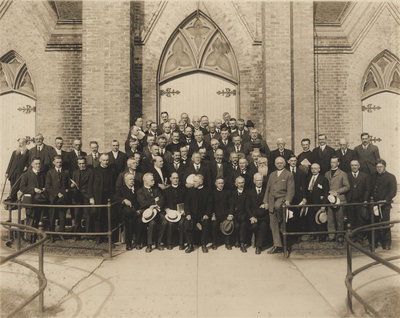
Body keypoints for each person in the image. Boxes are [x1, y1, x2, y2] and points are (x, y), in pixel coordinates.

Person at [263, 157, 295, 254]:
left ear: (285, 164)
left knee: (282, 224)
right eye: (277, 163)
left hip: (282, 200)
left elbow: (291, 189)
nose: (279, 164)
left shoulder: (289, 174)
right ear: (275, 164)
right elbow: (268, 189)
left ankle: (285, 246)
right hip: (272, 201)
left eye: (281, 163)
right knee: (273, 225)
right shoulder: (272, 174)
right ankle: (277, 245)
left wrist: (288, 200)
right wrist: (266, 202)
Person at [88, 154, 116, 243]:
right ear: (100, 160)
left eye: (107, 160)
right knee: (98, 217)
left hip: (109, 198)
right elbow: (90, 185)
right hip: (98, 197)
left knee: (107, 216)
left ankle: (107, 237)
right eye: (104, 160)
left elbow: (114, 185)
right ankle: (98, 237)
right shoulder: (94, 171)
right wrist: (91, 197)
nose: (105, 162)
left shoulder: (112, 171)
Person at [370, 159, 397, 250]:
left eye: (381, 167)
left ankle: (387, 243)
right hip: (375, 205)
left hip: (385, 205)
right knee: (375, 224)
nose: (379, 169)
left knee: (385, 224)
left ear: (385, 167)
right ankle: (376, 242)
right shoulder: (373, 176)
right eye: (377, 167)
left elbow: (393, 191)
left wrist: (385, 200)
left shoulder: (391, 177)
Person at [136, 173, 166, 252]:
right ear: (145, 181)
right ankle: (149, 245)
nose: (154, 181)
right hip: (147, 213)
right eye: (152, 180)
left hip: (158, 211)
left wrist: (157, 206)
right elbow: (143, 203)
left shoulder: (156, 190)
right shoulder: (140, 191)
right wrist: (153, 201)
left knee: (165, 221)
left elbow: (162, 199)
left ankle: (158, 243)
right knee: (152, 223)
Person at [184, 174, 212, 253]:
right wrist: (188, 214)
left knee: (206, 223)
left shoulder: (207, 191)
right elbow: (186, 204)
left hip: (203, 215)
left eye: (195, 181)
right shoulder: (190, 191)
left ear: (201, 182)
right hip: (192, 215)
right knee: (188, 223)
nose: (193, 183)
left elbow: (210, 205)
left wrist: (207, 214)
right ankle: (190, 245)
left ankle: (204, 244)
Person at [325, 156, 350, 242]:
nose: (332, 164)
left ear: (338, 163)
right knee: (330, 218)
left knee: (340, 219)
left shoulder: (343, 174)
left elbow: (347, 187)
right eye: (331, 162)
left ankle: (340, 236)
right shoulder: (327, 174)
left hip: (339, 199)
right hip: (329, 199)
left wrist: (337, 192)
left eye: (334, 162)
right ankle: (331, 236)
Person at [46, 155, 70, 240]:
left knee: (62, 216)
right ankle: (52, 235)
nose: (59, 164)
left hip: (63, 199)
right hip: (53, 199)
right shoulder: (50, 173)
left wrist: (65, 192)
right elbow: (48, 187)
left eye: (60, 162)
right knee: (52, 217)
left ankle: (61, 234)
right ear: (53, 163)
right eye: (57, 162)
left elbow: (67, 186)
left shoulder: (66, 172)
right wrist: (57, 194)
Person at [114, 173, 140, 250]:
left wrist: (139, 210)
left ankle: (137, 242)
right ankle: (128, 244)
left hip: (137, 211)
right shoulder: (121, 189)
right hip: (125, 213)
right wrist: (123, 200)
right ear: (125, 181)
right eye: (130, 179)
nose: (132, 181)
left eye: (133, 179)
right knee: (130, 221)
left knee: (139, 221)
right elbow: (115, 197)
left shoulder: (137, 188)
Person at [20, 157, 47, 229]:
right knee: (30, 221)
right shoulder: (26, 175)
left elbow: (45, 185)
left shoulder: (42, 175)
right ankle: (29, 239)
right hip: (30, 201)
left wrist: (44, 189)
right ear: (32, 164)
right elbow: (22, 188)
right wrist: (33, 190)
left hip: (40, 201)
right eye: (36, 164)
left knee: (39, 221)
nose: (38, 165)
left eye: (39, 163)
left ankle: (37, 239)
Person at [346, 160, 370, 242]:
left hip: (360, 201)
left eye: (355, 165)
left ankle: (360, 237)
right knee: (351, 219)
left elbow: (367, 189)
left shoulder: (364, 176)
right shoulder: (347, 175)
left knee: (360, 220)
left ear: (359, 166)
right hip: (350, 201)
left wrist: (365, 200)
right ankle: (353, 237)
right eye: (352, 165)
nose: (354, 167)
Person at [246, 173, 270, 254]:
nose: (259, 182)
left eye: (260, 180)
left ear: (263, 181)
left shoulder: (266, 191)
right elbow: (247, 207)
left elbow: (270, 202)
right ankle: (258, 243)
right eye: (257, 180)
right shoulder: (250, 192)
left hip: (264, 216)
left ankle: (258, 247)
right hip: (254, 217)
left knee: (263, 226)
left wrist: (267, 204)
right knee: (255, 226)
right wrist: (251, 217)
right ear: (254, 181)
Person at [305, 163, 329, 241]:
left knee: (320, 219)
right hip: (310, 202)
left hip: (319, 202)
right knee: (311, 219)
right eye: (312, 168)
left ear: (319, 169)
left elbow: (326, 193)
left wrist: (323, 205)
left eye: (315, 168)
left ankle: (322, 236)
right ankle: (313, 235)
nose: (313, 170)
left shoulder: (323, 179)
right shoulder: (308, 178)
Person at [70, 156, 93, 234]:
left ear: (85, 163)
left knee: (87, 215)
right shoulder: (75, 172)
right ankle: (77, 234)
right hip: (77, 197)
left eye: (83, 163)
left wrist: (90, 197)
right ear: (77, 164)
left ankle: (88, 234)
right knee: (77, 215)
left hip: (86, 196)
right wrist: (72, 186)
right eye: (80, 164)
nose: (82, 165)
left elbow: (91, 185)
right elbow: (73, 183)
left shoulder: (90, 172)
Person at [163, 172, 186, 249]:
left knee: (182, 222)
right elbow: (164, 203)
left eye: (177, 178)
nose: (175, 180)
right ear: (170, 179)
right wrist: (166, 209)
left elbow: (186, 202)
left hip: (181, 212)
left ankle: (181, 243)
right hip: (171, 213)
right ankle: (169, 243)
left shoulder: (183, 189)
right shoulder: (166, 190)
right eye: (174, 178)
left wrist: (184, 211)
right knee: (170, 223)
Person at [211, 178, 233, 250]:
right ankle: (214, 243)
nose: (221, 185)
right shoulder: (213, 193)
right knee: (214, 224)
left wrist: (230, 214)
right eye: (219, 183)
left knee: (228, 224)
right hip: (216, 215)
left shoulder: (228, 192)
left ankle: (228, 243)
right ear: (216, 184)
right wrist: (213, 215)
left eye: (222, 183)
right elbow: (211, 205)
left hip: (225, 215)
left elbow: (231, 204)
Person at [287, 155, 307, 233]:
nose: (293, 162)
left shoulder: (301, 172)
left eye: (295, 161)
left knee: (297, 215)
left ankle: (296, 234)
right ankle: (288, 234)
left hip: (298, 197)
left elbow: (304, 186)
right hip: (288, 197)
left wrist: (304, 197)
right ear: (288, 161)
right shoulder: (285, 171)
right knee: (288, 215)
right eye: (291, 160)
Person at [5, 138, 29, 203]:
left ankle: (10, 198)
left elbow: (29, 162)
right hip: (12, 172)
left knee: (16, 186)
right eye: (19, 143)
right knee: (12, 186)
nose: (20, 144)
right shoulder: (15, 152)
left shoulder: (28, 152)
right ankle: (14, 201)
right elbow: (10, 162)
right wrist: (7, 172)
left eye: (22, 143)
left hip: (20, 173)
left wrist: (26, 166)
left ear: (25, 144)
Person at [230, 176, 249, 252]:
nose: (241, 184)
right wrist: (231, 214)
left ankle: (242, 243)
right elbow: (231, 205)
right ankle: (236, 240)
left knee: (243, 224)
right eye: (239, 183)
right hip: (235, 215)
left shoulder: (247, 192)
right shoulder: (233, 193)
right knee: (237, 225)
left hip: (245, 214)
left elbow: (248, 206)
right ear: (236, 184)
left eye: (242, 183)